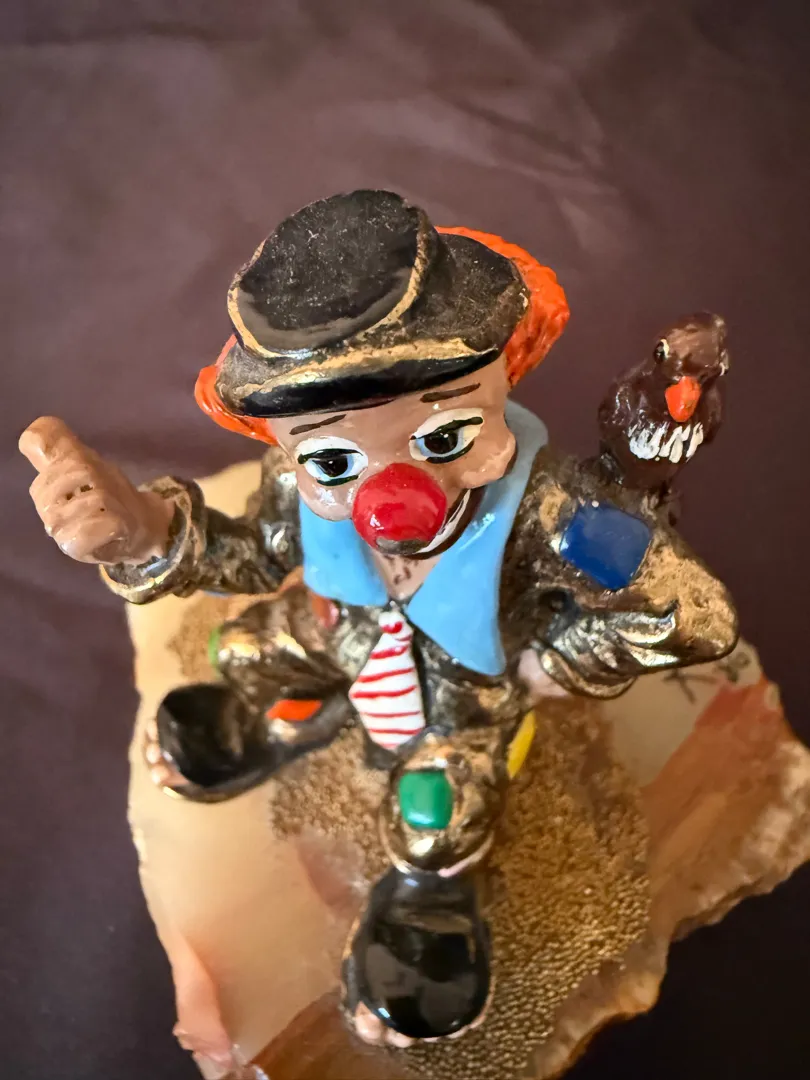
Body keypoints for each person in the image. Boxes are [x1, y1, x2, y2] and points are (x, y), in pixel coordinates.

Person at [19, 190, 737, 1046]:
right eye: (333, 458)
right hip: (338, 629)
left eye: (444, 436)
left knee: (439, 812)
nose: (391, 492)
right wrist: (142, 531)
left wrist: (555, 660)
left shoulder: (564, 516)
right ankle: (278, 722)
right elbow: (249, 553)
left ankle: (427, 905)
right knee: (246, 649)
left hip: (467, 691)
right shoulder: (297, 490)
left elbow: (688, 613)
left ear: (501, 380)